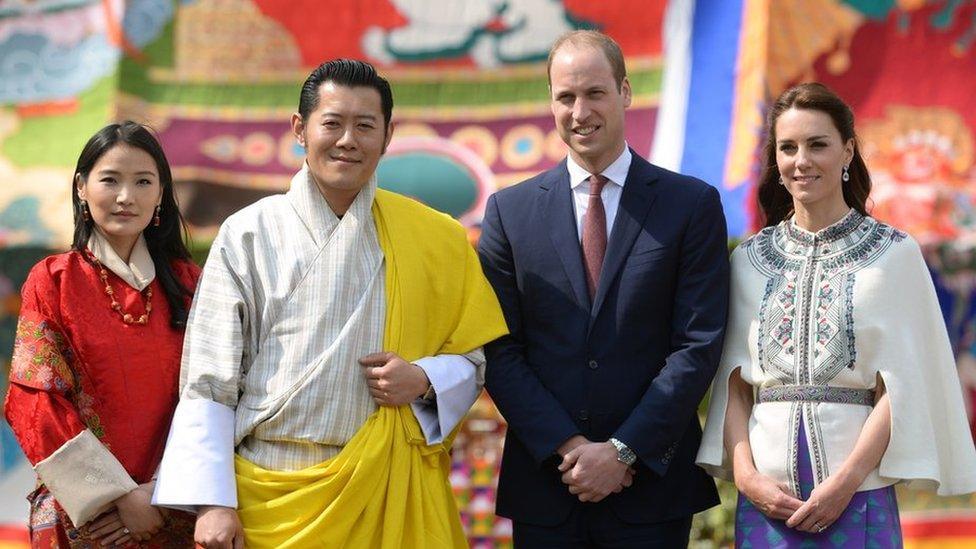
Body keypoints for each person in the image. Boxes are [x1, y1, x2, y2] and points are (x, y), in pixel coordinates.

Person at [151, 59, 508, 549]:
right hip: (269, 493)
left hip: (383, 485)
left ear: (387, 137)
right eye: (332, 123)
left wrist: (424, 379)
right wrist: (213, 502)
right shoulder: (249, 233)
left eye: (365, 126)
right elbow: (208, 377)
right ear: (300, 129)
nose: (348, 140)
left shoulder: (435, 238)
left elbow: (475, 357)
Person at [478, 30, 729, 547]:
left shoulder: (690, 205)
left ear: (626, 92)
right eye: (565, 96)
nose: (579, 110)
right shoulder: (510, 212)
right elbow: (498, 348)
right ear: (550, 101)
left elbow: (698, 344)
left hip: (651, 489)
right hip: (549, 484)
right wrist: (567, 446)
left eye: (595, 93)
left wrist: (623, 451)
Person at [697, 82, 976, 547]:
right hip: (768, 500)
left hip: (857, 492)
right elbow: (734, 383)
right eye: (788, 147)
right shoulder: (747, 259)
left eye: (817, 144)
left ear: (847, 152)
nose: (801, 160)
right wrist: (746, 477)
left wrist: (845, 483)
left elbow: (902, 386)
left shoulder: (894, 254)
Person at [4, 121, 200, 547]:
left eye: (143, 181)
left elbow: (217, 396)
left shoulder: (192, 284)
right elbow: (36, 399)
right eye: (110, 180)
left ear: (161, 194)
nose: (126, 197)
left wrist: (160, 495)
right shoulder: (52, 281)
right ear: (81, 187)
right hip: (86, 520)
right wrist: (114, 497)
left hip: (175, 511)